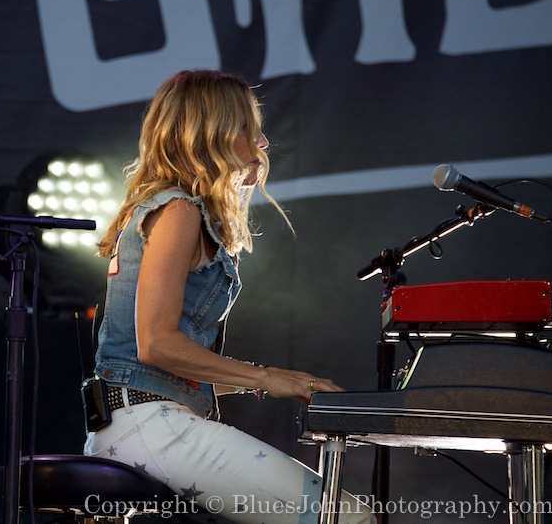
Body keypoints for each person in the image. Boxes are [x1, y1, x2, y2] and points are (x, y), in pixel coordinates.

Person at [85, 70, 373, 524]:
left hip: (145, 421)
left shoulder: (177, 209)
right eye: (246, 126)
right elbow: (155, 345)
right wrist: (266, 376)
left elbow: (172, 366)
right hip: (149, 425)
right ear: (210, 133)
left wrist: (282, 383)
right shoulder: (179, 210)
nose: (260, 139)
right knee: (345, 518)